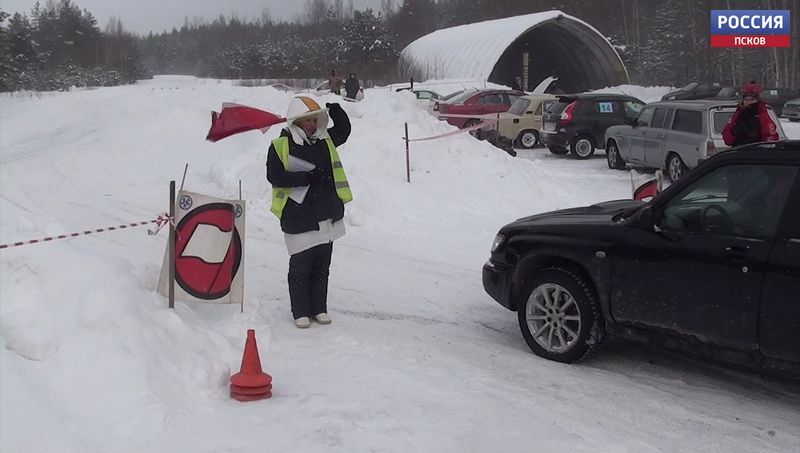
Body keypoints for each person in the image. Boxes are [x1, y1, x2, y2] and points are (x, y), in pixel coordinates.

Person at [266, 96, 352, 328]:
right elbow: (274, 176)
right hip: (299, 216)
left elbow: (343, 131)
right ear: (296, 122)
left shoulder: (324, 141)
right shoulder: (280, 145)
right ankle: (300, 312)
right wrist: (301, 177)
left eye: (315, 120)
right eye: (308, 121)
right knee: (301, 268)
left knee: (322, 266)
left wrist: (336, 111)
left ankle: (319, 309)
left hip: (326, 213)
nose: (313, 125)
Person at [722, 80, 780, 147]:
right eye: (746, 100)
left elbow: (771, 138)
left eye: (752, 99)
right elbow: (727, 140)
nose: (749, 102)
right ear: (743, 101)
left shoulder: (762, 114)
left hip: (755, 154)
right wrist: (734, 132)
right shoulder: (738, 115)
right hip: (738, 152)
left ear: (757, 100)